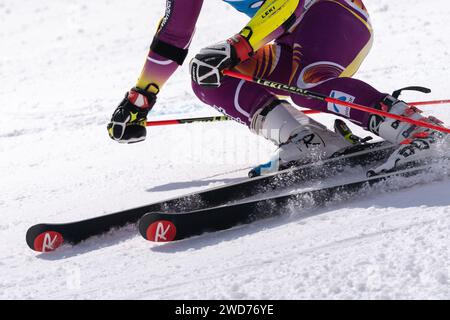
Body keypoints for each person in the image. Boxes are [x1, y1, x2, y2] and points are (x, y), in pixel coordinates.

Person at [107, 0, 445, 176]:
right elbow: (173, 36)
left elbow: (287, 3)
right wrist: (140, 97)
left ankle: (421, 129)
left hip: (333, 13)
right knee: (208, 76)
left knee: (306, 85)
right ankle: (309, 139)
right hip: (285, 38)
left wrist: (239, 45)